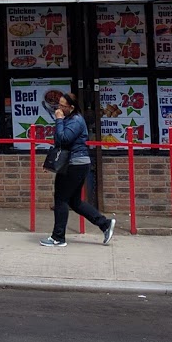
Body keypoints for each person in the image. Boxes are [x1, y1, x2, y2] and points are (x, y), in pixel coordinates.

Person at [39, 91, 118, 248]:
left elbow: (64, 139)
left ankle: (58, 237)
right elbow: (58, 141)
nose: (59, 108)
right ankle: (105, 224)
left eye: (62, 106)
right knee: (74, 202)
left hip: (75, 164)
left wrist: (59, 120)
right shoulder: (69, 119)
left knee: (61, 199)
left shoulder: (75, 120)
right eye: (58, 105)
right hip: (73, 164)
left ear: (72, 107)